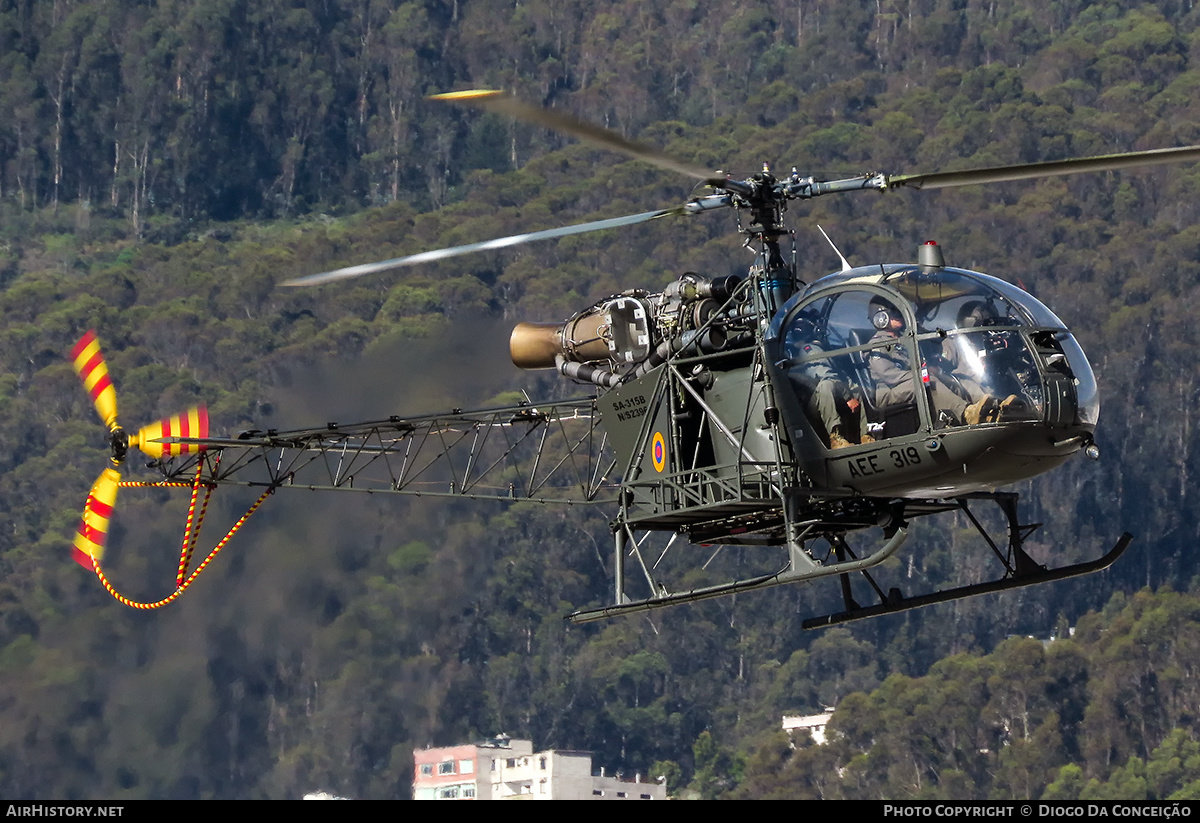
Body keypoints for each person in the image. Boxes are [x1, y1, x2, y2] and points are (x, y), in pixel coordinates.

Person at [867, 298, 995, 426]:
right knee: (929, 382)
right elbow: (891, 376)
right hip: (888, 392)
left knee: (956, 379)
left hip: (909, 383)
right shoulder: (877, 344)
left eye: (899, 312)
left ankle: (992, 408)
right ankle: (966, 414)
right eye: (894, 313)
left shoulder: (903, 338)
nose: (899, 315)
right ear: (881, 318)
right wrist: (922, 373)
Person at [788, 333, 872, 449]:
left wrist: (854, 391)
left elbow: (844, 380)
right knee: (826, 385)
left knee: (859, 390)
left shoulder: (824, 352)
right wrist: (848, 397)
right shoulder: (810, 349)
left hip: (830, 397)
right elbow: (826, 375)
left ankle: (865, 435)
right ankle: (835, 437)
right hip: (813, 403)